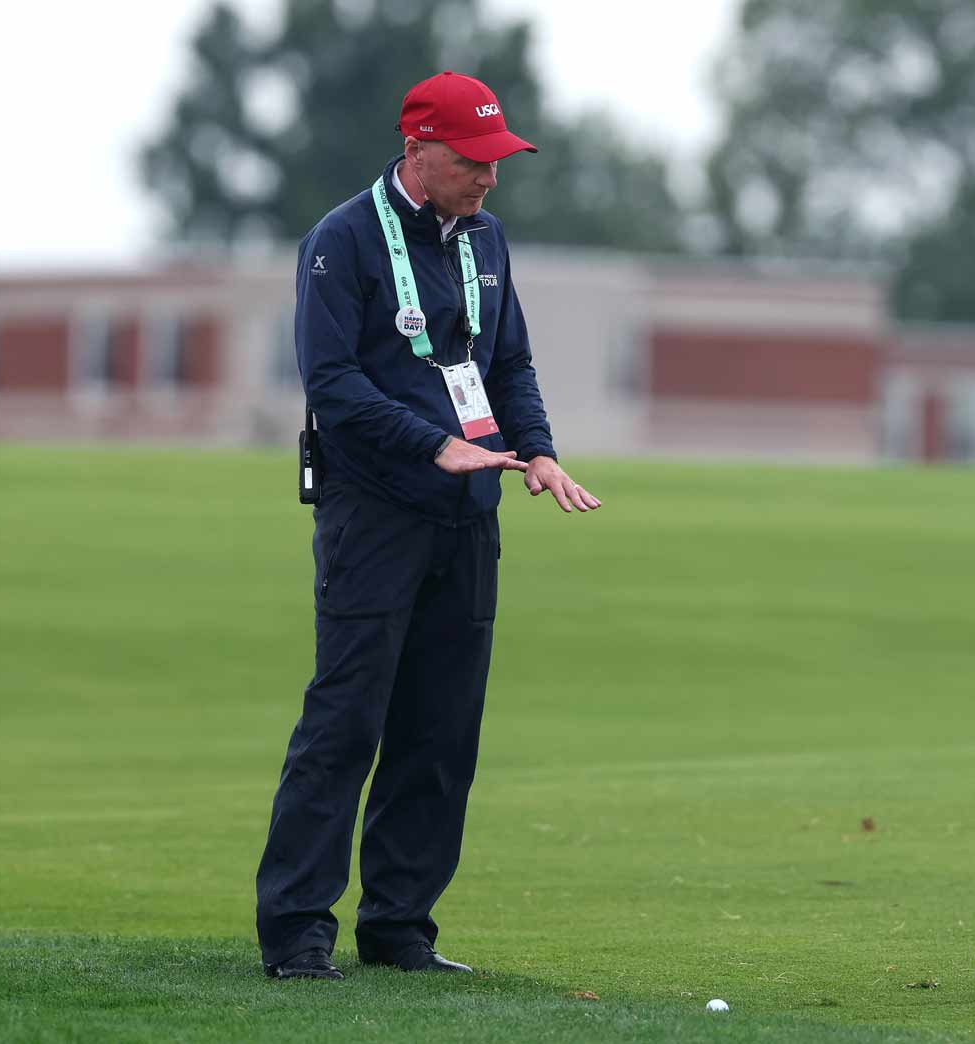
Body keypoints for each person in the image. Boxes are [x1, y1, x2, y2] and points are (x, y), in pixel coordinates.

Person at [255, 71, 601, 981]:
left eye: (497, 159)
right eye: (472, 160)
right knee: (345, 725)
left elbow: (510, 361)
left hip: (469, 513)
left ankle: (400, 928)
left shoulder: (486, 240)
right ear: (416, 151)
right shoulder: (342, 242)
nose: (489, 177)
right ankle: (296, 930)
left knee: (442, 731)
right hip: (374, 509)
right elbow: (331, 383)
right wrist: (431, 444)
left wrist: (540, 449)